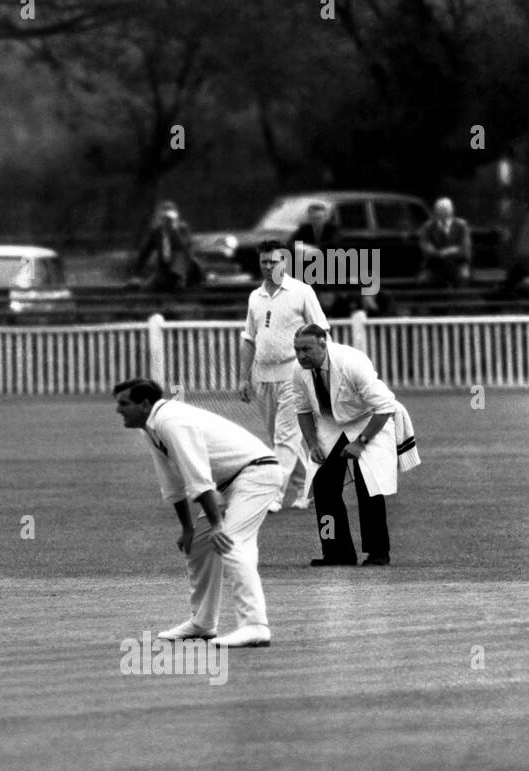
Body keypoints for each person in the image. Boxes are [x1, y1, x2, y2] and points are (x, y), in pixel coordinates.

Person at [114, 378, 281, 648]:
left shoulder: (171, 420)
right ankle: (202, 623)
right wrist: (188, 528)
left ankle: (255, 625)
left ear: (145, 404)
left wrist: (217, 523)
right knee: (200, 544)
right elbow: (172, 482)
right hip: (230, 482)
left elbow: (197, 476)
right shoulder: (150, 427)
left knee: (231, 541)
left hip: (257, 473)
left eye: (124, 404)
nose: (118, 410)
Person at [293, 324, 418, 567]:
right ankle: (336, 552)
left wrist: (361, 443)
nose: (300, 356)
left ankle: (378, 552)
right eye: (297, 350)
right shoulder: (299, 371)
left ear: (323, 343)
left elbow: (384, 407)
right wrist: (312, 444)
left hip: (369, 420)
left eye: (306, 349)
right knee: (323, 486)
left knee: (368, 483)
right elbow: (303, 409)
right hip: (331, 424)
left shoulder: (352, 363)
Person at [238, 239, 329, 514]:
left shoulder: (301, 292)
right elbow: (249, 339)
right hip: (264, 375)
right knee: (281, 438)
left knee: (285, 437)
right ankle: (308, 487)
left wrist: (322, 373)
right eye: (264, 262)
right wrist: (244, 377)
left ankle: (273, 495)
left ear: (285, 262)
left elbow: (321, 331)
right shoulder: (256, 296)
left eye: (274, 261)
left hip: (295, 373)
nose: (268, 267)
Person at [133, 201, 202, 293]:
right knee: (147, 288)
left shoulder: (182, 229)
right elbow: (144, 254)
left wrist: (172, 232)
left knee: (179, 256)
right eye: (164, 217)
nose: (167, 220)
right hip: (165, 272)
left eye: (169, 217)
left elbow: (184, 249)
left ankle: (178, 281)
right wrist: (136, 275)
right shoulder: (156, 233)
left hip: (185, 271)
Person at [418, 197, 472, 286]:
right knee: (423, 280)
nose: (443, 212)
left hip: (457, 264)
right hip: (434, 265)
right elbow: (425, 246)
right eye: (440, 209)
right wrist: (437, 253)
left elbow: (465, 248)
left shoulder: (461, 225)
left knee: (463, 276)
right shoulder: (428, 226)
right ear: (435, 211)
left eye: (446, 209)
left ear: (451, 211)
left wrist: (447, 252)